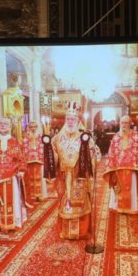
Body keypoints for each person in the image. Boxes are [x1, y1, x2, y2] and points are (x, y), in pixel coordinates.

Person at [51, 101, 100, 239]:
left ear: (78, 120)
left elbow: (95, 153)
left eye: (73, 119)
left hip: (80, 176)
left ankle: (82, 232)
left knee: (80, 202)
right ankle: (66, 231)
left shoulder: (85, 136)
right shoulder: (57, 138)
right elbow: (53, 156)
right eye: (68, 119)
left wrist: (92, 155)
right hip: (64, 176)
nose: (70, 121)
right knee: (65, 201)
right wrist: (52, 155)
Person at [102, 115, 138, 215]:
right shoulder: (116, 136)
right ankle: (116, 206)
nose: (124, 125)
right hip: (118, 168)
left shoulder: (135, 135)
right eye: (122, 123)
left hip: (131, 168)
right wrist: (111, 164)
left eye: (126, 123)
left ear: (130, 124)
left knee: (131, 188)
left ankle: (132, 207)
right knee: (117, 187)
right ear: (120, 124)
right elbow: (111, 151)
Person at [22, 120, 45, 201]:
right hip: (29, 161)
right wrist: (28, 156)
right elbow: (25, 146)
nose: (33, 128)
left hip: (38, 160)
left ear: (37, 127)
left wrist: (40, 155)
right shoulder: (26, 137)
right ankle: (32, 195)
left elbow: (42, 146)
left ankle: (39, 195)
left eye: (34, 127)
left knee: (39, 177)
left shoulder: (40, 136)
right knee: (30, 178)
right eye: (31, 127)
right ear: (29, 128)